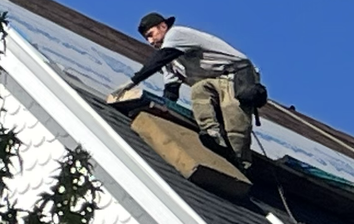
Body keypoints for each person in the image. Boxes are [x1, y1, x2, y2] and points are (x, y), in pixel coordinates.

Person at [109, 13, 266, 168]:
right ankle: (212, 134)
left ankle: (240, 163)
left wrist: (133, 81)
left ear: (163, 26)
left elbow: (159, 59)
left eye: (151, 34)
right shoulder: (170, 60)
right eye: (147, 38)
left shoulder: (176, 35)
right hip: (212, 82)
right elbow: (171, 89)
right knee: (199, 91)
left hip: (236, 74)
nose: (150, 41)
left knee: (233, 115)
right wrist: (164, 110)